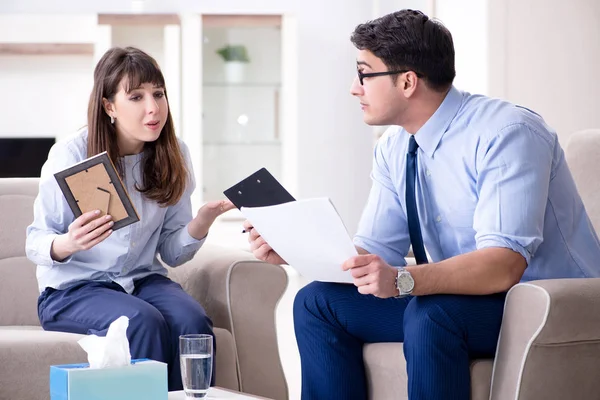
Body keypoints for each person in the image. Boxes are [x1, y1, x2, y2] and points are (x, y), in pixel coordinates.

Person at [243, 9, 600, 400]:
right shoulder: (395, 148)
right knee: (315, 301)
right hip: (463, 297)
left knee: (432, 314)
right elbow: (375, 253)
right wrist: (295, 249)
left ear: (408, 81)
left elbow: (503, 265)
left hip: (545, 302)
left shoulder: (508, 132)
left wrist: (402, 281)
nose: (353, 87)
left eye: (364, 74)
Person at [26, 46, 234, 391]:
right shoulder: (72, 154)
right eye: (136, 97)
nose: (153, 108)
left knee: (192, 319)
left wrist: (201, 222)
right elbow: (35, 240)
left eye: (158, 94)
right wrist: (67, 243)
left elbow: (171, 252)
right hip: (73, 290)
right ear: (109, 106)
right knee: (141, 320)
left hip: (141, 280)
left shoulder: (175, 153)